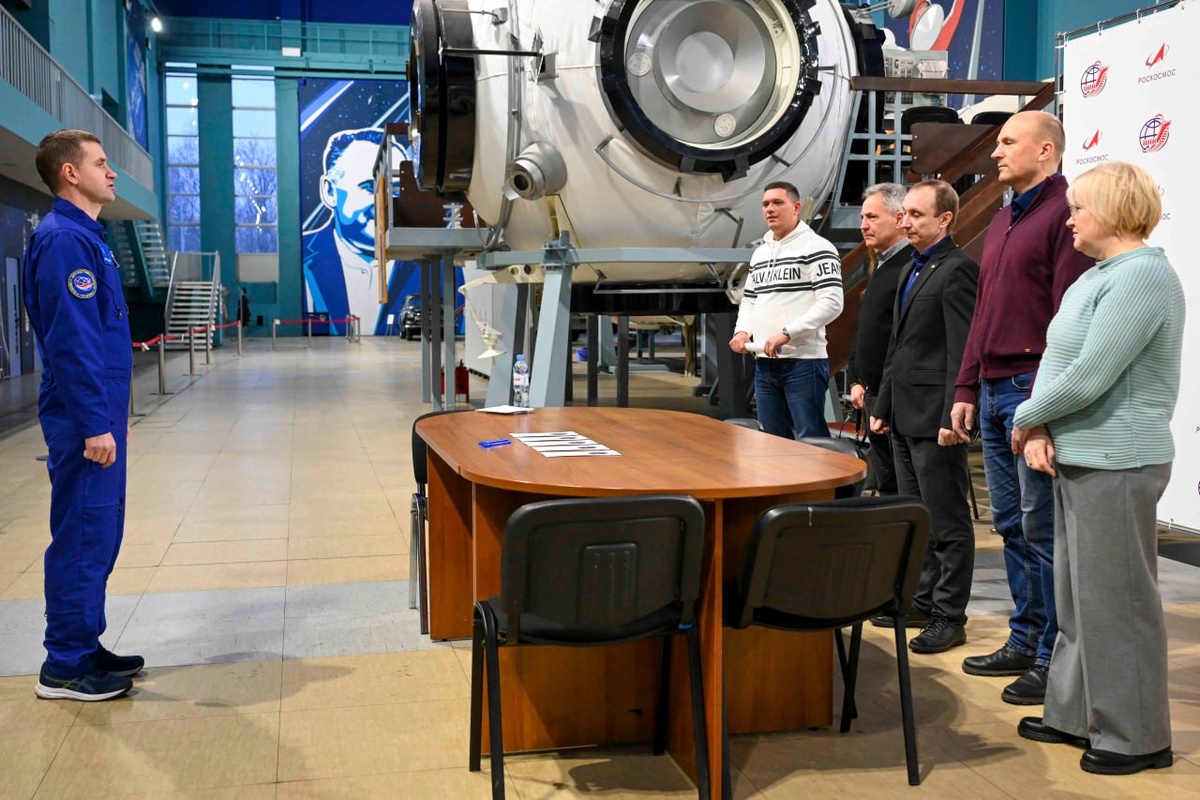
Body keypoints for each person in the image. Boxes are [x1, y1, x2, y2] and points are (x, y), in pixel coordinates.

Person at [1012, 162, 1183, 776]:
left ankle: (1137, 736)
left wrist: (1025, 418)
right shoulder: (1097, 277)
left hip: (1120, 458)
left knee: (1118, 602)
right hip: (1083, 455)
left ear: (1112, 210)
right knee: (1078, 599)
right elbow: (1060, 365)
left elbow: (1091, 375)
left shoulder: (1143, 276)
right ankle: (1075, 714)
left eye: (1079, 208)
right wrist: (1042, 427)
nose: (1070, 219)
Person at [951, 111, 1094, 705]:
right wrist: (965, 386)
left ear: (1045, 150)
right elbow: (984, 310)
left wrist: (1041, 405)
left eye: (1008, 142)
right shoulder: (1005, 215)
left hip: (1030, 387)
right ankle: (1024, 637)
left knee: (1041, 530)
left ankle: (1050, 658)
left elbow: (1068, 320)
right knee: (1010, 526)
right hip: (992, 387)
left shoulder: (1066, 214)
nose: (995, 152)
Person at [22, 130, 144, 701]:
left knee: (100, 532)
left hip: (99, 411)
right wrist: (95, 422)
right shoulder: (64, 242)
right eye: (100, 162)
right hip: (82, 417)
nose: (111, 171)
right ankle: (64, 665)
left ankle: (85, 643)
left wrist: (110, 416)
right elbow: (72, 342)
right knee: (81, 534)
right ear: (70, 173)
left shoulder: (88, 239)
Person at [871, 180, 978, 653]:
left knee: (947, 522)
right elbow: (898, 347)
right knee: (919, 520)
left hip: (936, 418)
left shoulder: (958, 270)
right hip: (902, 415)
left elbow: (961, 350)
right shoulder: (911, 268)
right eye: (904, 214)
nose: (906, 222)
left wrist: (954, 416)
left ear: (944, 219)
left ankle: (949, 616)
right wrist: (882, 407)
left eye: (916, 215)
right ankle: (922, 600)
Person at [730, 181, 843, 438]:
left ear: (796, 207)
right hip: (765, 362)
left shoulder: (817, 247)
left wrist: (787, 333)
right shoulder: (760, 254)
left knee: (810, 441)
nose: (770, 209)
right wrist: (742, 331)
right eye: (765, 204)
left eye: (777, 202)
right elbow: (750, 300)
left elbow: (832, 302)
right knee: (771, 441)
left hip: (803, 362)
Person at [302, 128, 410, 335]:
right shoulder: (300, 260)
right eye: (370, 187)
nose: (385, 202)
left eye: (395, 189)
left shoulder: (437, 267)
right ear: (330, 191)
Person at [847, 183, 911, 495]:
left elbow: (901, 339)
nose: (863, 225)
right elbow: (866, 329)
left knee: (902, 487)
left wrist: (882, 396)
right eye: (862, 217)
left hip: (898, 397)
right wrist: (855, 378)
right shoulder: (879, 263)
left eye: (872, 217)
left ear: (899, 219)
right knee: (887, 484)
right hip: (873, 394)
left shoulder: (911, 265)